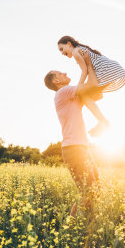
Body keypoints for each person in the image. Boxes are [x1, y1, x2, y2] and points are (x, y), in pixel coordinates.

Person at [44, 70, 100, 215]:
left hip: (82, 148)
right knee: (89, 191)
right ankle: (71, 224)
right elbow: (92, 85)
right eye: (60, 73)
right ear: (56, 81)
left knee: (95, 189)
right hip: (74, 149)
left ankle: (84, 222)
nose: (65, 72)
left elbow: (95, 94)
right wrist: (86, 65)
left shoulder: (70, 95)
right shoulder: (63, 92)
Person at [57, 35, 125, 136]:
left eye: (62, 49)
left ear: (69, 44)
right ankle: (102, 120)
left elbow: (84, 71)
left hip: (105, 71)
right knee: (87, 95)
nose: (61, 53)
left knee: (82, 94)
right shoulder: (80, 49)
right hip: (111, 69)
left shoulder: (75, 52)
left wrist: (79, 88)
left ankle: (103, 122)